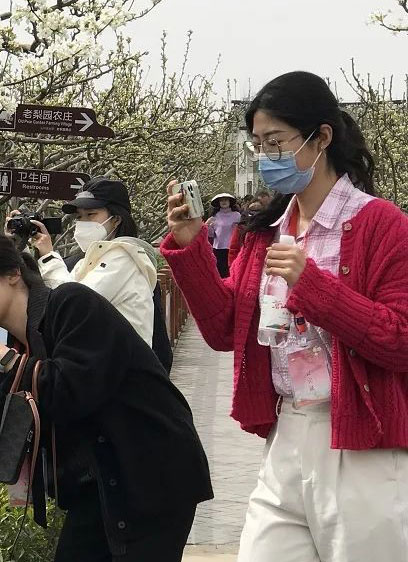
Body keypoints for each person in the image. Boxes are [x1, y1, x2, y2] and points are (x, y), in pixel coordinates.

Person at [160, 70, 408, 562]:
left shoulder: (383, 224)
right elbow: (224, 328)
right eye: (257, 144)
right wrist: (190, 247)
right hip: (286, 431)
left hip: (361, 440)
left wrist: (312, 286)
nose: (265, 157)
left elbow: (400, 338)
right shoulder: (266, 230)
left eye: (276, 142)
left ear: (321, 138)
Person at [0, 231, 213, 562]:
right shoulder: (19, 350)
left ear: (13, 273)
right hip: (100, 487)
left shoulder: (71, 304)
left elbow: (69, 391)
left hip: (152, 476)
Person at [11, 177, 172, 373]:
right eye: (79, 217)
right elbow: (50, 298)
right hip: (102, 370)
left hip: (122, 376)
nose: (83, 222)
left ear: (116, 219)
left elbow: (74, 302)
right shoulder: (87, 262)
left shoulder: (124, 258)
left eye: (91, 214)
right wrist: (20, 248)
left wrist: (48, 254)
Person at [204, 193, 241, 278]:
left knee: (231, 270)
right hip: (218, 248)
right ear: (218, 203)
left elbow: (241, 231)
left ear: (230, 202)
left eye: (226, 200)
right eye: (221, 200)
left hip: (232, 247)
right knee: (220, 272)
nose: (224, 202)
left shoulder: (237, 215)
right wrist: (209, 227)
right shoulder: (215, 216)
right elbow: (211, 235)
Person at [227, 200, 264, 264]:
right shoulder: (240, 228)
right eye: (252, 210)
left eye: (257, 210)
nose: (254, 214)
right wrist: (232, 265)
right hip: (241, 263)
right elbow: (234, 248)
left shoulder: (266, 229)